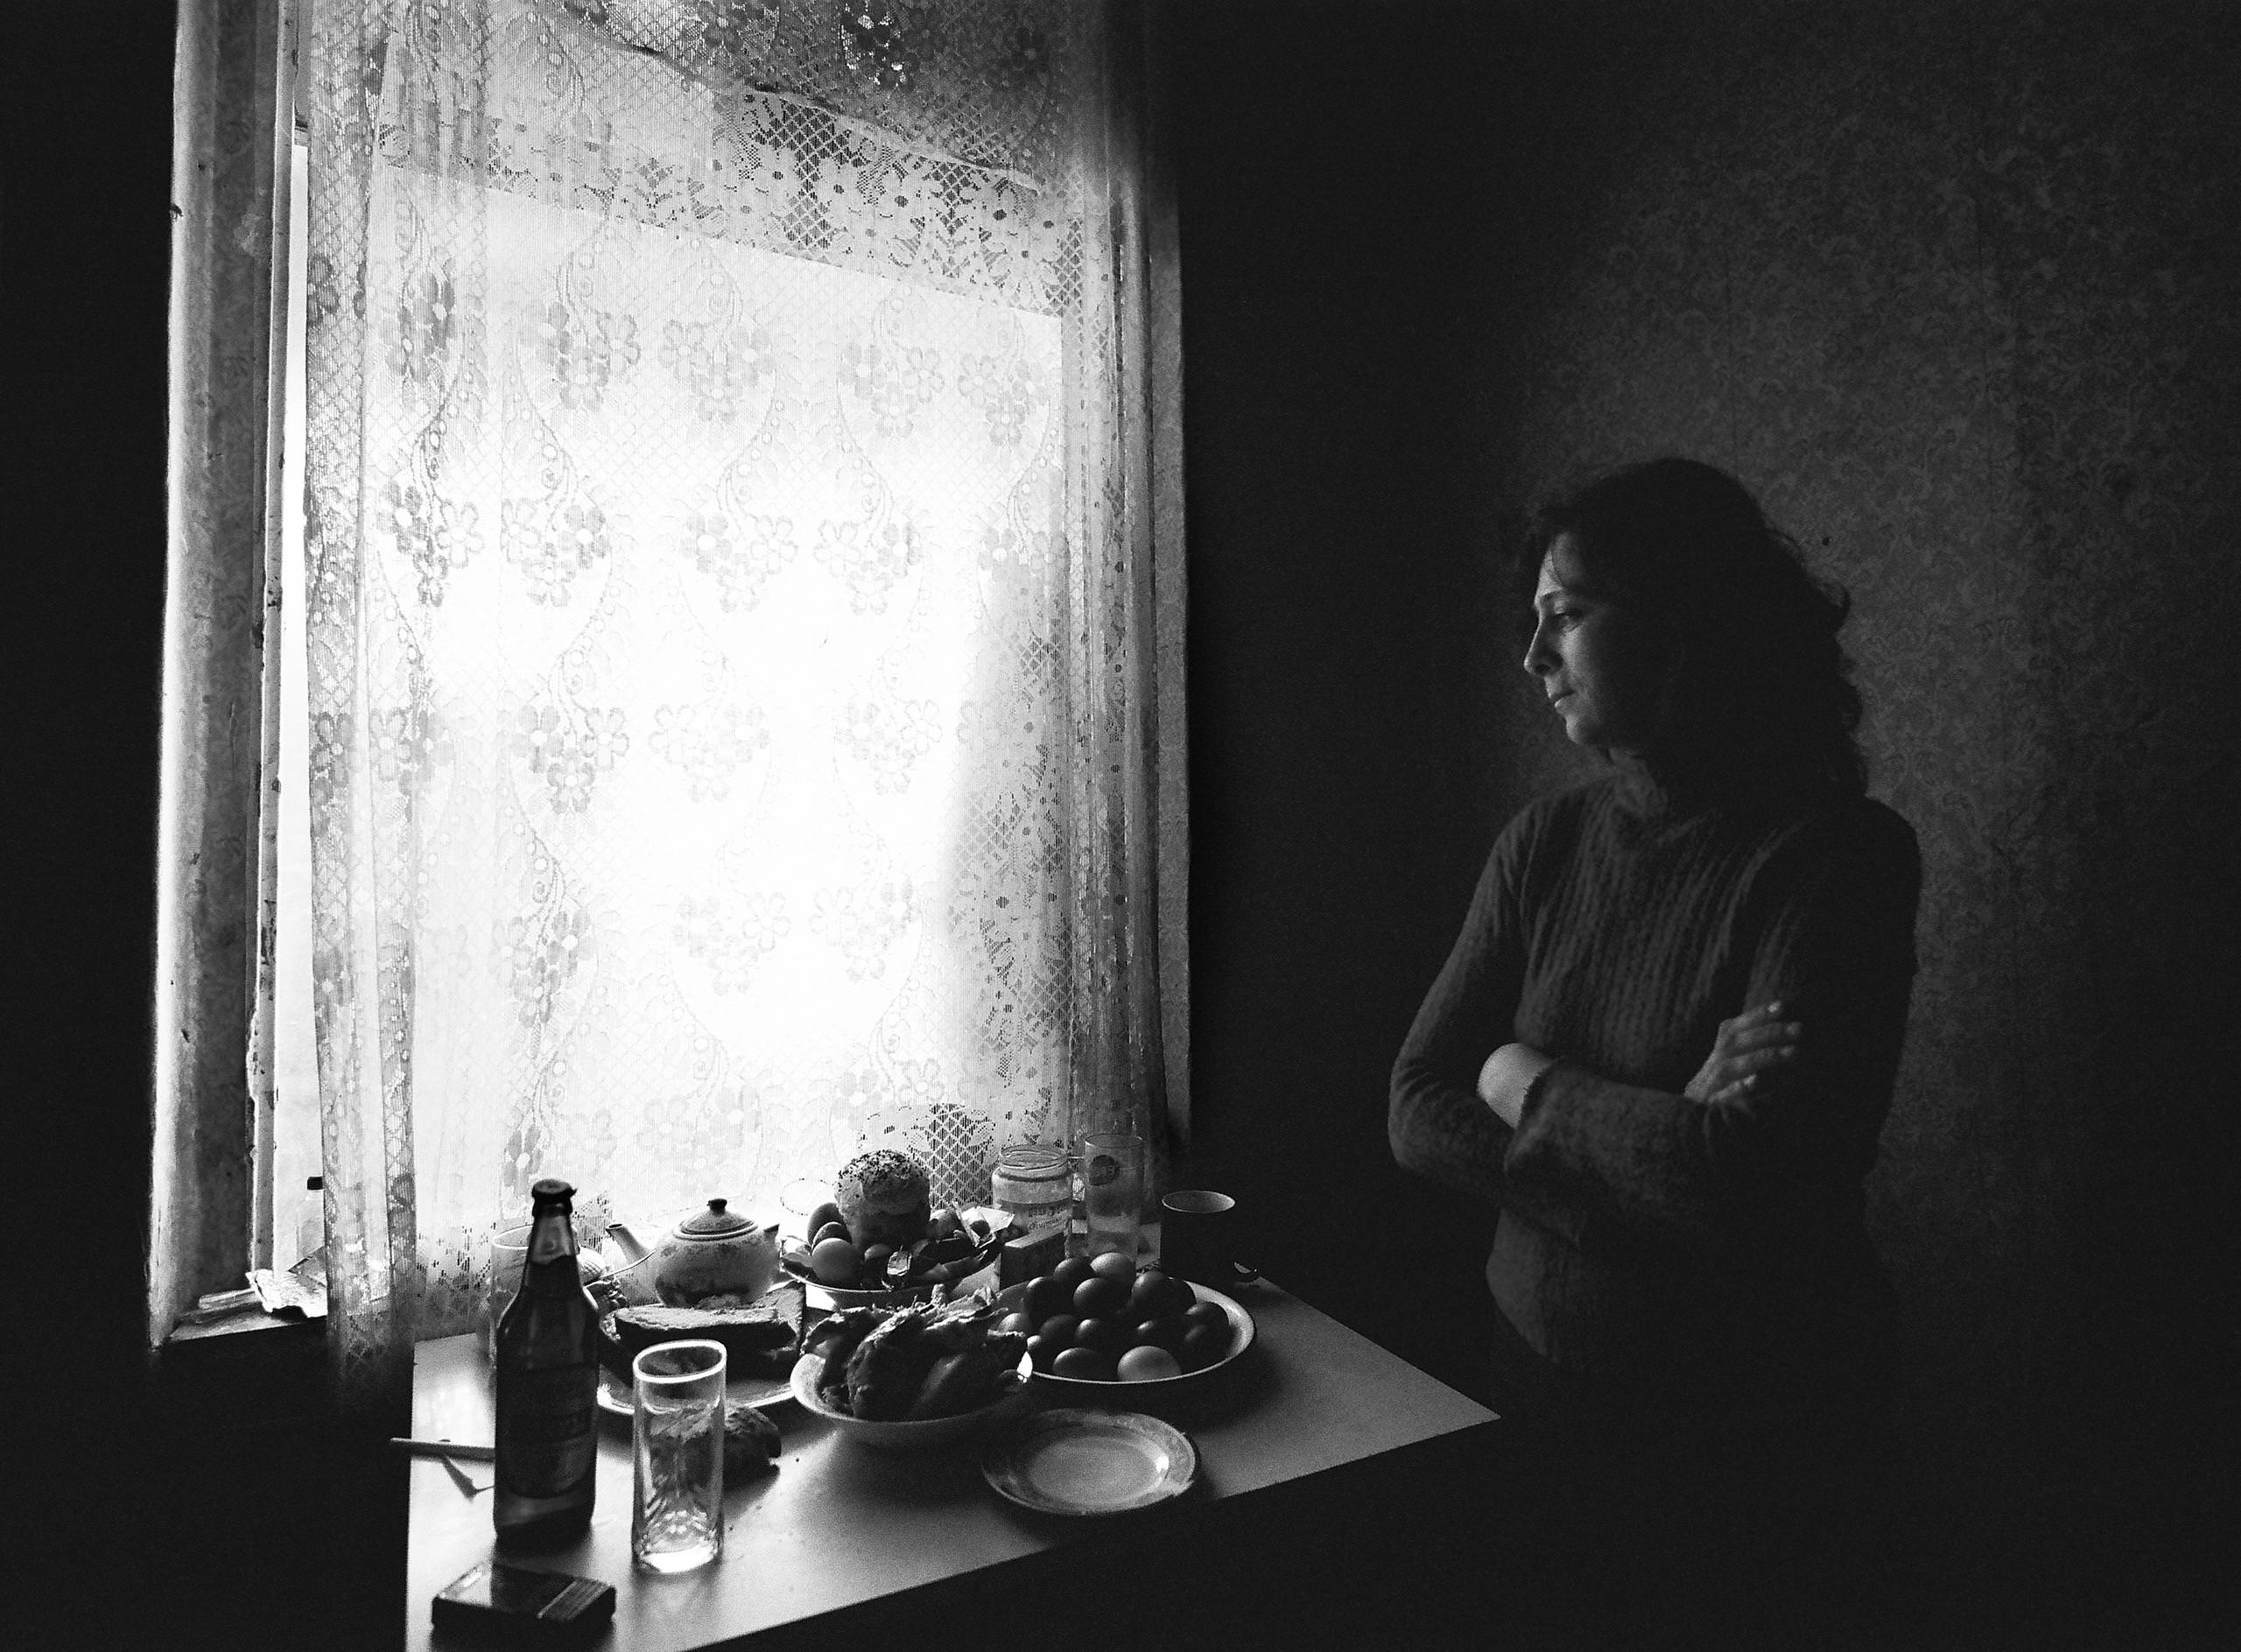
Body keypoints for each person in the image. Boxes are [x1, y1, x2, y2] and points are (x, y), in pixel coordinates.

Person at [1389, 458, 1921, 1646]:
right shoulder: (1543, 845)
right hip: (1531, 1384)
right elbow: (1415, 1105)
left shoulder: (1836, 857)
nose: (1533, 657)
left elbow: (1744, 1183)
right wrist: (1647, 1145)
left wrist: (1522, 1078)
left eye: (1567, 614)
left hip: (1752, 1431)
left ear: (1683, 620)